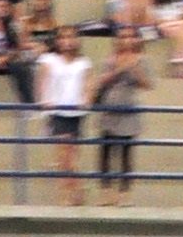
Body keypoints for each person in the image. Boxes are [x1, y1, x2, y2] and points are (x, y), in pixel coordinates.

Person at [92, 25, 151, 203]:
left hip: (129, 110)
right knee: (105, 153)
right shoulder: (110, 59)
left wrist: (133, 67)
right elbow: (102, 80)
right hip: (109, 110)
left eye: (131, 36)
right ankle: (106, 193)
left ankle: (124, 194)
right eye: (123, 37)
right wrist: (119, 69)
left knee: (126, 154)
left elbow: (147, 84)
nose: (127, 40)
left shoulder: (142, 59)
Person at [36, 25, 90, 204]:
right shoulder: (49, 59)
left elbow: (88, 84)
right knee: (63, 155)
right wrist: (45, 101)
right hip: (57, 111)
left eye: (70, 38)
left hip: (76, 112)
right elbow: (43, 81)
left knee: (72, 155)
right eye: (63, 38)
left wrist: (86, 100)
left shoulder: (83, 62)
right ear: (57, 41)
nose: (67, 42)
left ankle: (73, 191)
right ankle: (71, 193)